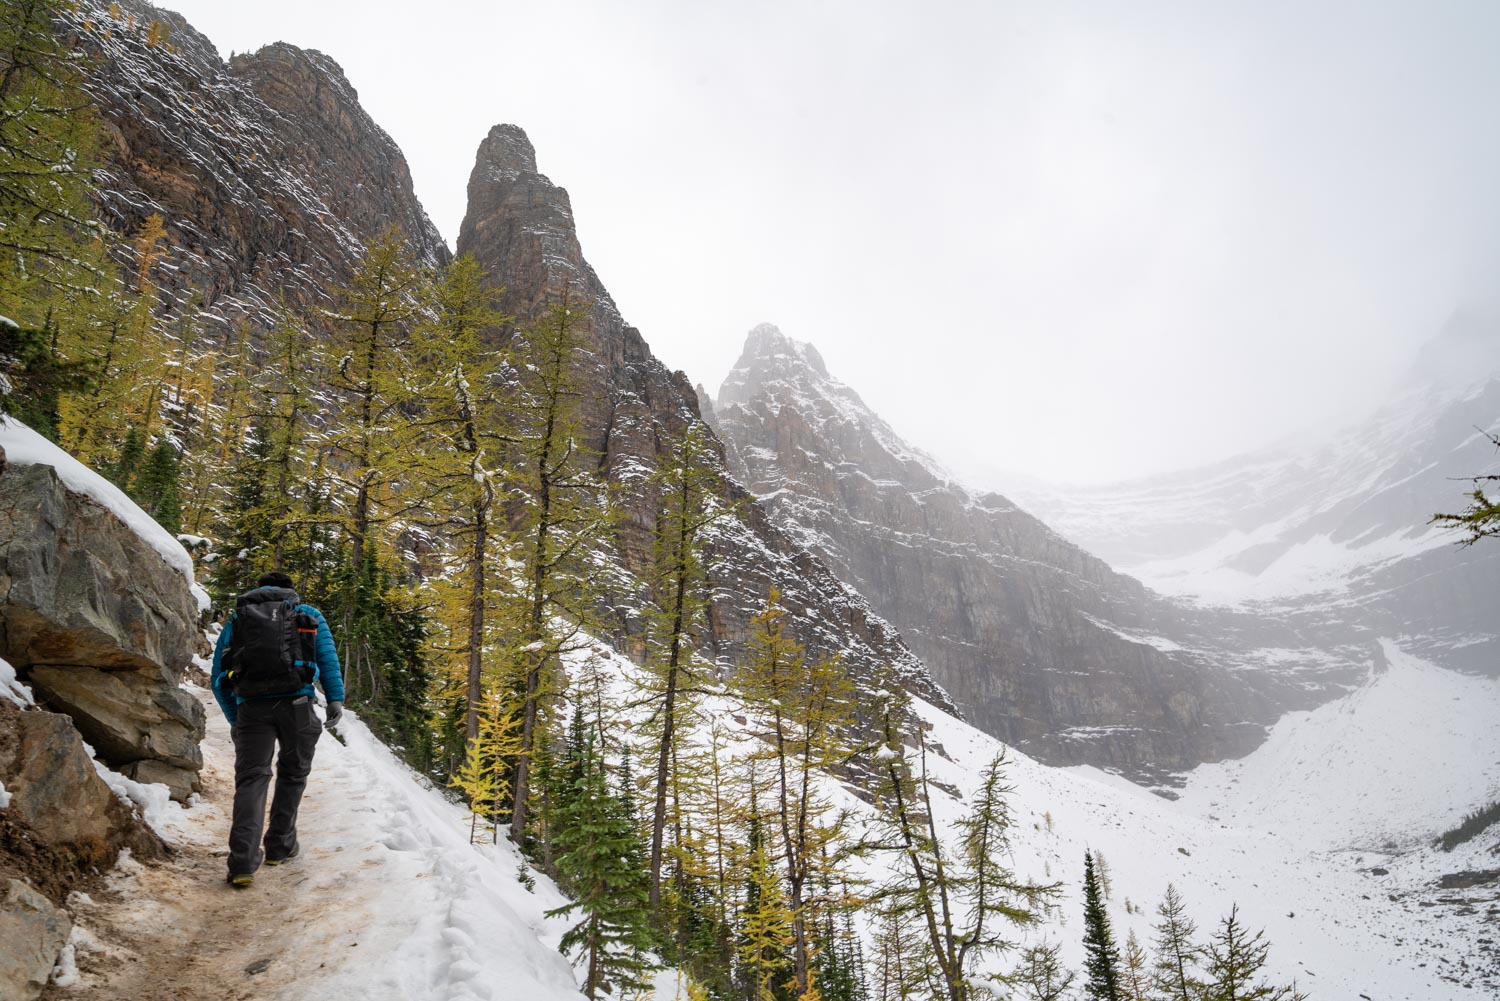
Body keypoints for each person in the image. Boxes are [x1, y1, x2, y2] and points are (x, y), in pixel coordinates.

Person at [211, 571, 344, 888]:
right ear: (290, 591)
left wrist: (235, 718)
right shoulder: (307, 613)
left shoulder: (238, 618)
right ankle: (280, 846)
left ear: (259, 591)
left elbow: (219, 676)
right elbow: (327, 659)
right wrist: (335, 700)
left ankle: (242, 863)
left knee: (251, 780)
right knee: (293, 773)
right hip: (297, 705)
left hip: (252, 708)